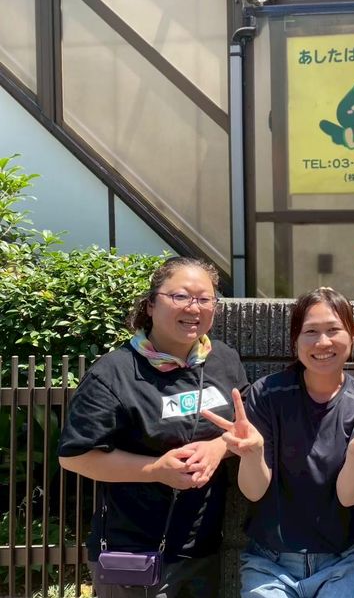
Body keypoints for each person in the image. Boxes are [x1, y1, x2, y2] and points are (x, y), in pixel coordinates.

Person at [58, 256, 249, 598]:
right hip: (133, 552)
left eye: (205, 299)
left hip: (202, 548)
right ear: (150, 304)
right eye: (180, 296)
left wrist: (218, 447)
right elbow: (75, 456)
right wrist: (156, 469)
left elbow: (244, 422)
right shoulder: (113, 373)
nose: (194, 307)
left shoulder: (223, 359)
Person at [202, 287, 354, 597]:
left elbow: (348, 497)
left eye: (333, 330)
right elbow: (254, 491)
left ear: (353, 334)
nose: (323, 342)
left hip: (344, 559)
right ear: (295, 340)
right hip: (271, 561)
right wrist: (253, 454)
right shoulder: (267, 395)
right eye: (311, 332)